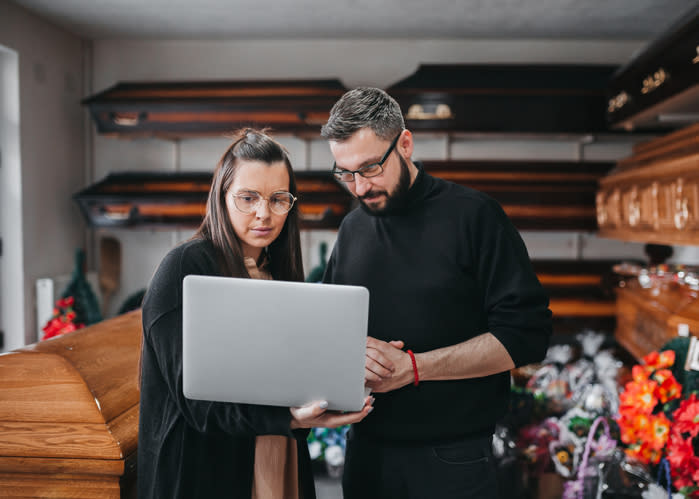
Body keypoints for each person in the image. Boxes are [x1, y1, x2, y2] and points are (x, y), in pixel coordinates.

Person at [320, 88, 552, 499]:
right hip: (364, 453)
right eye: (345, 173)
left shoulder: (475, 216)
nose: (358, 187)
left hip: (453, 458)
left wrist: (413, 366)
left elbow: (526, 335)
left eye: (371, 167)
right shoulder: (352, 229)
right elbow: (330, 329)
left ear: (405, 144)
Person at [137, 128, 373, 499]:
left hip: (275, 453)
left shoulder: (276, 268)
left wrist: (341, 378)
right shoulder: (184, 266)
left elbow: (284, 376)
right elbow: (197, 403)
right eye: (248, 198)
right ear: (222, 196)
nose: (265, 214)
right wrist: (290, 417)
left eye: (279, 199)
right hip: (204, 470)